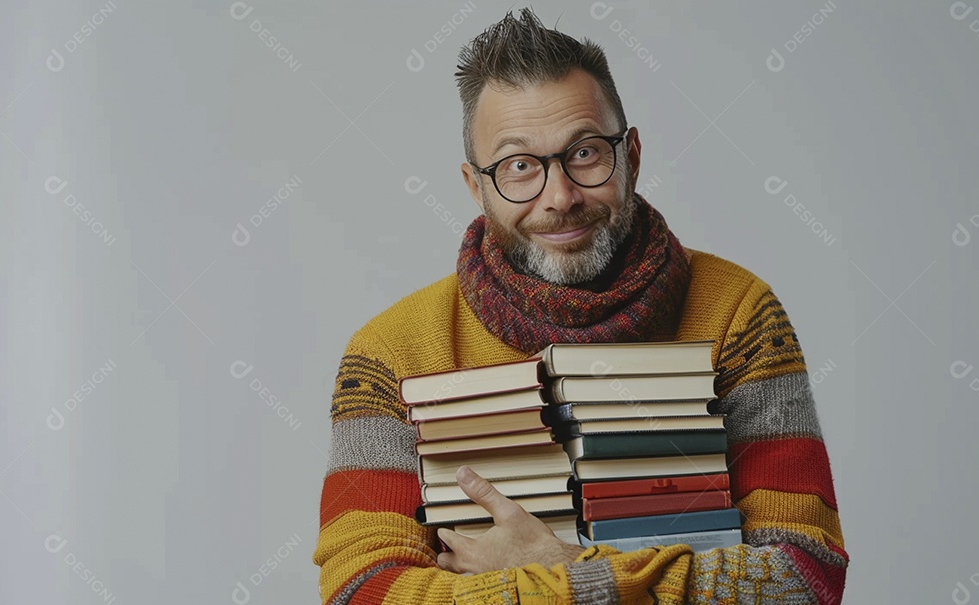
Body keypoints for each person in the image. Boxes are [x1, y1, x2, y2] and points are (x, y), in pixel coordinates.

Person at [312, 9, 847, 604]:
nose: (560, 197)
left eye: (586, 153)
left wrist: (568, 571)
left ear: (632, 155)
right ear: (475, 185)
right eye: (519, 167)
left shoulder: (739, 313)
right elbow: (359, 592)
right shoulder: (390, 353)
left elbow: (804, 580)